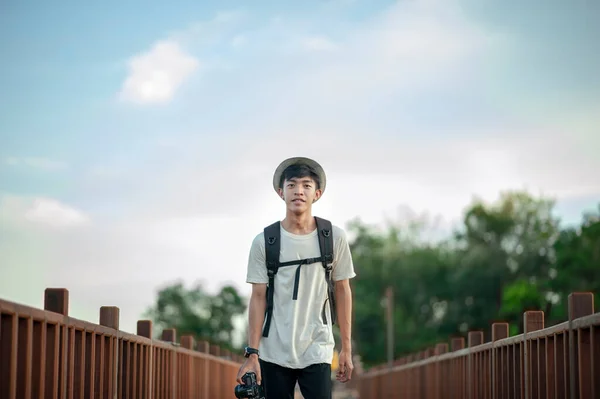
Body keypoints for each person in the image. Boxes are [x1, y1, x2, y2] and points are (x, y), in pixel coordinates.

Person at [236, 157, 356, 399]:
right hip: (273, 350)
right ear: (281, 192)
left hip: (318, 347)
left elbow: (343, 290)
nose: (298, 191)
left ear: (317, 193)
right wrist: (253, 353)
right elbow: (258, 298)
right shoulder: (264, 241)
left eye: (306, 185)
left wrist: (346, 348)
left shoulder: (333, 238)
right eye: (291, 185)